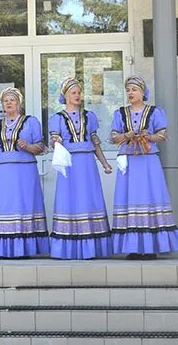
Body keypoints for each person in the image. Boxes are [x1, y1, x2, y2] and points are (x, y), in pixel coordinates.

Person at [110, 75, 178, 260]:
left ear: (143, 92)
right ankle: (134, 248)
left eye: (134, 89)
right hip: (129, 159)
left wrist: (148, 136)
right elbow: (113, 137)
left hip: (148, 160)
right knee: (130, 199)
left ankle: (151, 247)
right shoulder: (120, 113)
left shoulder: (154, 111)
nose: (130, 93)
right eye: (128, 90)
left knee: (150, 197)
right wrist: (126, 135)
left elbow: (163, 134)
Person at [0, 87, 49, 258]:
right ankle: (2, 248)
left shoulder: (31, 122)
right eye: (5, 101)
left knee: (23, 205)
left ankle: (24, 248)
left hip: (24, 171)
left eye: (12, 100)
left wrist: (28, 146)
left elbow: (41, 147)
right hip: (2, 172)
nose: (9, 103)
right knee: (3, 207)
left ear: (19, 103)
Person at [48, 77, 112, 260]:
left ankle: (92, 247)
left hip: (87, 164)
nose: (77, 96)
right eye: (73, 93)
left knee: (89, 199)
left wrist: (105, 163)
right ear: (65, 96)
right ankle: (67, 249)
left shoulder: (89, 116)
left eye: (78, 93)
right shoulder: (57, 118)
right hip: (69, 164)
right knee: (69, 200)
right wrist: (56, 141)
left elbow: (95, 142)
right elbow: (54, 142)